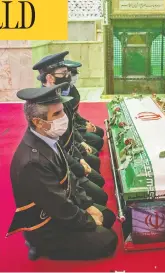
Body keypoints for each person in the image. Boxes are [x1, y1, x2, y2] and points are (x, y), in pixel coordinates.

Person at [6, 83, 117, 260]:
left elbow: (69, 177)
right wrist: (88, 221)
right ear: (37, 121)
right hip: (47, 225)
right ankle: (41, 246)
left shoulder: (47, 136)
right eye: (57, 114)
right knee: (109, 240)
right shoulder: (32, 162)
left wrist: (87, 204)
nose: (64, 117)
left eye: (62, 111)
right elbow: (59, 207)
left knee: (108, 217)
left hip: (62, 204)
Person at [33, 52, 107, 204]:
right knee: (100, 195)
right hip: (62, 167)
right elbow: (56, 149)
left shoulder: (61, 97)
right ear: (49, 78)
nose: (68, 76)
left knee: (96, 167)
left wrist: (80, 152)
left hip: (71, 152)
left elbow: (71, 127)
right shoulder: (42, 108)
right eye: (63, 72)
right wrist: (78, 163)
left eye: (67, 72)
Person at [64, 60, 105, 151]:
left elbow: (74, 113)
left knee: (100, 132)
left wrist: (85, 122)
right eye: (73, 74)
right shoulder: (62, 93)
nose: (76, 77)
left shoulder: (71, 88)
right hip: (69, 130)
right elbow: (66, 122)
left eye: (76, 74)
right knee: (98, 142)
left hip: (76, 124)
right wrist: (83, 128)